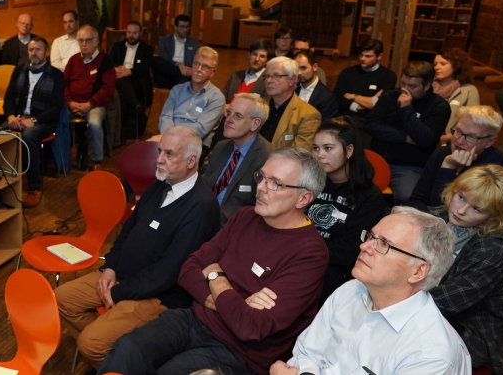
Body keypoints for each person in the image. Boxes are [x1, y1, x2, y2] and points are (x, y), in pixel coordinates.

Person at [101, 148, 329, 375]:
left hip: (240, 352)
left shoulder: (310, 253)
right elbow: (189, 268)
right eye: (261, 177)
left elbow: (251, 326)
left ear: (304, 198)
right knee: (129, 348)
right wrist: (229, 302)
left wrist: (215, 276)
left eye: (276, 184)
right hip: (196, 318)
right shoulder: (245, 216)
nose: (260, 187)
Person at [56, 126, 221, 369]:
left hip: (157, 296)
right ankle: (118, 355)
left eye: (169, 154)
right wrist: (110, 268)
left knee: (90, 344)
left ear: (191, 161)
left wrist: (120, 293)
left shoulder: (201, 207)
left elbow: (169, 272)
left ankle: (121, 358)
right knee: (61, 300)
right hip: (122, 278)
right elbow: (128, 230)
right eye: (160, 151)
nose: (159, 160)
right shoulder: (161, 183)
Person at [270, 207, 470, 375]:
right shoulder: (351, 290)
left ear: (418, 271)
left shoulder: (431, 353)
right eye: (371, 236)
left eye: (383, 244)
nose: (364, 246)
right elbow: (307, 354)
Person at [430, 165, 503, 375]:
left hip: (474, 328)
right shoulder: (441, 217)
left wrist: (396, 294)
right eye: (461, 197)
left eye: (477, 209)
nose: (461, 210)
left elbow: (450, 301)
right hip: (432, 307)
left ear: (494, 216)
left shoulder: (495, 248)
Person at [308, 117, 387, 301]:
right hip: (297, 258)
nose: (319, 155)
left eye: (328, 148)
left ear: (349, 150)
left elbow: (349, 251)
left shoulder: (369, 196)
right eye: (315, 148)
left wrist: (303, 247)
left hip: (332, 272)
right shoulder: (310, 181)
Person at [366, 61, 450, 203]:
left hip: (408, 166)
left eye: (412, 86)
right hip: (377, 159)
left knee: (408, 197)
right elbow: (371, 125)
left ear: (428, 85)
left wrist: (406, 109)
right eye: (403, 84)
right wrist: (405, 137)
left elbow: (426, 139)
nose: (405, 90)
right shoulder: (390, 96)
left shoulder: (439, 106)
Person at [408, 105, 503, 211]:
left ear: (489, 142)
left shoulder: (497, 172)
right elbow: (416, 200)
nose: (459, 141)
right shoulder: (441, 154)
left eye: (471, 137)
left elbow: (443, 211)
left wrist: (448, 168)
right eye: (458, 131)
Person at [4, 37, 64, 208]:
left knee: (29, 136)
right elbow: (8, 97)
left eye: (38, 49)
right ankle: (4, 184)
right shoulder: (20, 70)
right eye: (31, 50)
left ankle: (34, 187)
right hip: (19, 117)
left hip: (44, 121)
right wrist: (10, 116)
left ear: (46, 52)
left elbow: (56, 108)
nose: (34, 53)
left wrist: (34, 120)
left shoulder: (56, 75)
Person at [201, 93, 271, 223]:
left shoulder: (267, 157)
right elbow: (204, 185)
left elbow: (258, 208)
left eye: (237, 116)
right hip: (203, 215)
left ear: (255, 124)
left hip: (234, 227)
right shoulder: (221, 147)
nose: (228, 120)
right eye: (229, 113)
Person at [63, 25, 116, 171]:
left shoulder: (105, 60)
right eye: (80, 40)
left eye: (88, 40)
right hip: (73, 104)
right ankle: (63, 159)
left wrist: (90, 104)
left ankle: (96, 160)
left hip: (95, 104)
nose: (84, 44)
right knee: (58, 117)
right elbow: (64, 84)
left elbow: (108, 89)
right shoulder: (73, 60)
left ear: (96, 41)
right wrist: (70, 102)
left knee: (94, 123)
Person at [158, 46, 225, 143]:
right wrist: (168, 139)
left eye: (205, 67)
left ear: (212, 72)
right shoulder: (177, 90)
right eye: (196, 63)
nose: (199, 69)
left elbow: (200, 129)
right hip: (167, 139)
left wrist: (173, 139)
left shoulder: (217, 98)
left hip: (194, 145)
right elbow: (165, 117)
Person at [259, 56, 321, 151]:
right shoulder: (258, 104)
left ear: (292, 80)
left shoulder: (308, 115)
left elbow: (298, 155)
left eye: (276, 76)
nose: (269, 81)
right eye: (267, 76)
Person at [333, 38, 397, 124]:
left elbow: (381, 105)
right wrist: (357, 106)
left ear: (379, 56)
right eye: (361, 55)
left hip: (371, 122)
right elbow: (338, 97)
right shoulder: (348, 72)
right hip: (345, 118)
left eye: (368, 56)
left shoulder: (388, 76)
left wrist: (354, 96)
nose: (362, 59)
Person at [110, 20, 154, 139]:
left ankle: (120, 134)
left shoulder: (147, 49)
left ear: (140, 33)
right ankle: (135, 105)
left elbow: (144, 68)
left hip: (137, 82)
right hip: (118, 79)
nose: (131, 35)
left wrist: (129, 71)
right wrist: (117, 70)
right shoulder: (117, 46)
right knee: (120, 82)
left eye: (134, 33)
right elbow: (109, 63)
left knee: (121, 97)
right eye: (129, 32)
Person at [433, 48, 479, 142]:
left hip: (450, 142)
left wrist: (447, 138)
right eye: (435, 64)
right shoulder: (428, 85)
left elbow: (473, 123)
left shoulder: (469, 90)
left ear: (456, 66)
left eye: (443, 63)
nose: (436, 67)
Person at [154, 14, 199, 88]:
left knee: (182, 82)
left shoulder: (194, 43)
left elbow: (194, 61)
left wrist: (188, 69)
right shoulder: (164, 40)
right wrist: (179, 66)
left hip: (184, 73)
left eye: (187, 27)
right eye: (182, 27)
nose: (185, 30)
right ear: (175, 27)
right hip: (169, 68)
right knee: (157, 60)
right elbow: (165, 58)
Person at [294, 49, 338, 121]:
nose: (298, 73)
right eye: (296, 68)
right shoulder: (291, 89)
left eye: (303, 68)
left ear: (315, 67)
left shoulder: (328, 97)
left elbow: (325, 128)